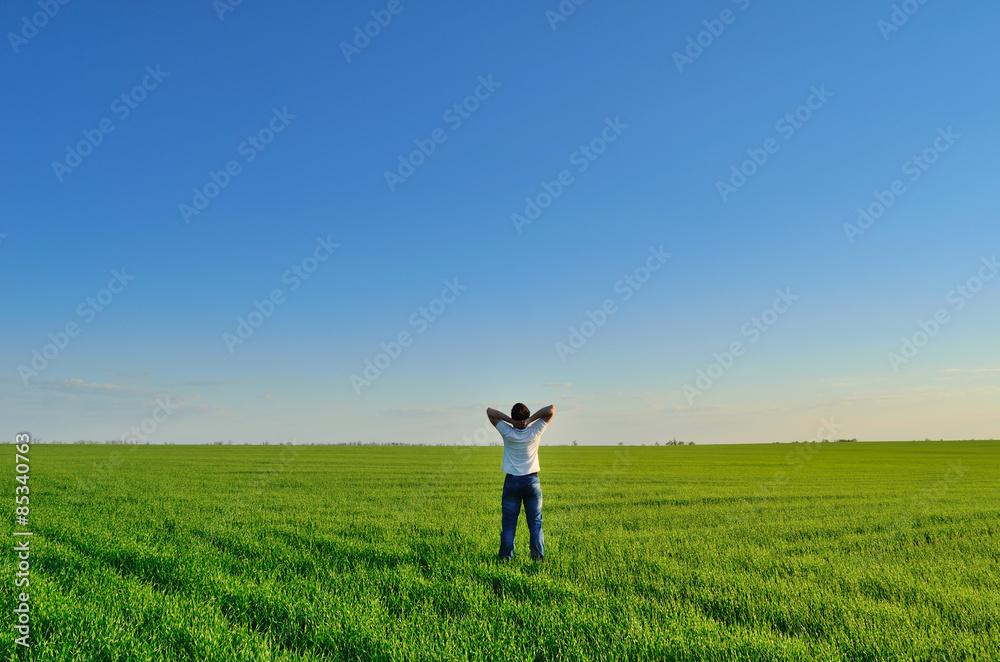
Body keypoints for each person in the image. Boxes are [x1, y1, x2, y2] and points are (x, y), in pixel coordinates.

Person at [486, 403, 555, 561]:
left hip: (511, 482)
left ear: (513, 416)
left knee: (509, 525)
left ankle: (505, 559)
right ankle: (537, 559)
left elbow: (490, 412)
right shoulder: (534, 431)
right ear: (527, 416)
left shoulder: (508, 432)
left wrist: (511, 421)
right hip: (532, 481)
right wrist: (530, 420)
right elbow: (551, 409)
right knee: (535, 524)